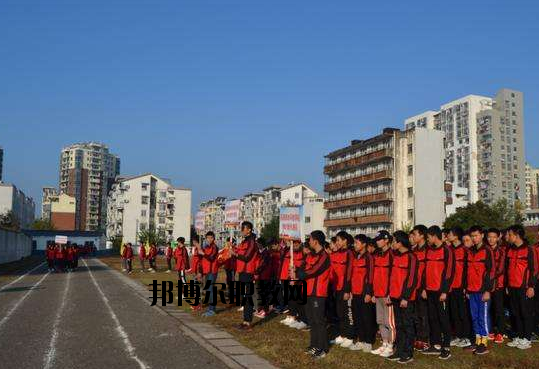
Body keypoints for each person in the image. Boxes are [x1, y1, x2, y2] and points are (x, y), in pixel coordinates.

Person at [296, 230, 331, 360]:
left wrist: (300, 274)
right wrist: (296, 271)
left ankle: (322, 348)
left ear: (316, 241)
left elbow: (314, 270)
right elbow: (303, 267)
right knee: (311, 320)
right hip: (308, 291)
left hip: (318, 293)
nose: (309, 242)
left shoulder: (324, 256)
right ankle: (314, 345)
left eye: (310, 239)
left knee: (319, 320)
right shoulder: (310, 255)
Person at [422, 225, 454, 359]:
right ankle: (435, 344)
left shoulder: (447, 251)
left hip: (441, 292)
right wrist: (424, 288)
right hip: (429, 291)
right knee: (432, 318)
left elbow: (449, 272)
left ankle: (446, 346)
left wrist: (445, 291)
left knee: (443, 319)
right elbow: (425, 270)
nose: (427, 240)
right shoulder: (428, 250)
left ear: (435, 236)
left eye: (428, 237)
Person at [388, 231, 419, 364]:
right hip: (394, 296)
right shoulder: (395, 256)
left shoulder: (411, 257)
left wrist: (405, 297)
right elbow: (392, 277)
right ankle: (399, 350)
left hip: (405, 298)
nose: (392, 243)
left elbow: (411, 279)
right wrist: (390, 294)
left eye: (394, 241)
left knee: (407, 325)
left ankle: (408, 352)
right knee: (399, 325)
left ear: (400, 242)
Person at [506, 224, 536, 350]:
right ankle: (519, 336)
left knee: (525, 313)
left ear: (517, 235)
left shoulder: (529, 250)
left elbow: (534, 270)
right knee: (515, 313)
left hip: (524, 287)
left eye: (510, 234)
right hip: (512, 287)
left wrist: (531, 286)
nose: (508, 236)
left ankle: (527, 338)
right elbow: (507, 269)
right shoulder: (510, 249)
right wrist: (507, 285)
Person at [467, 225, 495, 355]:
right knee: (474, 316)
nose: (474, 238)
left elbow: (491, 271)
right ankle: (477, 342)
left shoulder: (487, 250)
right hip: (471, 290)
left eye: (476, 235)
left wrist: (487, 290)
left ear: (482, 235)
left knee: (482, 317)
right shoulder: (470, 250)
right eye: (472, 236)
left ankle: (484, 343)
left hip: (482, 291)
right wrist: (466, 288)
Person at [349, 234, 376, 353]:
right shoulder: (356, 257)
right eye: (354, 243)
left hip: (364, 293)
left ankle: (368, 342)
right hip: (355, 292)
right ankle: (360, 339)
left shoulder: (369, 257)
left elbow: (370, 276)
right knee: (357, 317)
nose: (354, 245)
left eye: (357, 243)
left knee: (367, 317)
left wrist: (369, 292)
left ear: (364, 244)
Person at [370, 230, 395, 358]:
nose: (378, 242)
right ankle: (384, 343)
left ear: (386, 240)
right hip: (378, 293)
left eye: (380, 239)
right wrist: (374, 293)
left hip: (387, 294)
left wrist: (390, 293)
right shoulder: (377, 254)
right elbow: (375, 275)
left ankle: (391, 346)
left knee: (389, 322)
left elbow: (394, 276)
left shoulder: (392, 255)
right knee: (380, 320)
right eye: (377, 240)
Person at [447, 227, 472, 348]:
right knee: (454, 312)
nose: (448, 236)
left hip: (461, 286)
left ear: (456, 236)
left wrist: (465, 286)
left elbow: (468, 269)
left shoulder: (465, 250)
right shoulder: (449, 249)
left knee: (463, 312)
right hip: (451, 286)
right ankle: (458, 335)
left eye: (450, 234)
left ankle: (466, 337)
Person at [329, 231, 354, 348]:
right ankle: (342, 334)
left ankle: (350, 336)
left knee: (346, 313)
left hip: (344, 288)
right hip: (336, 288)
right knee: (339, 312)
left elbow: (349, 272)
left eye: (339, 240)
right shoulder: (335, 254)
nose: (337, 242)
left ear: (345, 241)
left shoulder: (349, 253)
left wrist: (347, 290)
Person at [233, 221, 259, 331]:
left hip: (248, 272)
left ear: (249, 229)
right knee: (244, 297)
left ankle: (248, 322)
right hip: (242, 271)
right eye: (241, 229)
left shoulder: (252, 242)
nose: (242, 231)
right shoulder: (244, 241)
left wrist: (236, 254)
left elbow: (247, 257)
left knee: (247, 297)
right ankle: (245, 321)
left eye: (243, 229)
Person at [410, 225, 430, 351]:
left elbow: (429, 272)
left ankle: (425, 339)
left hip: (423, 288)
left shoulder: (428, 250)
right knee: (415, 314)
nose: (413, 237)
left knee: (424, 315)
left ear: (422, 235)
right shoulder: (414, 251)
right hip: (414, 287)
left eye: (415, 234)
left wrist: (424, 288)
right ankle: (418, 337)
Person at [279, 240, 307, 329]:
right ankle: (291, 315)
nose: (295, 245)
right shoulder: (289, 251)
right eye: (293, 243)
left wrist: (295, 277)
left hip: (296, 279)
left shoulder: (302, 253)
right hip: (286, 277)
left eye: (297, 243)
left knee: (295, 298)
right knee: (289, 298)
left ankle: (294, 316)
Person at [486, 228, 506, 344]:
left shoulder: (502, 251)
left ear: (498, 238)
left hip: (498, 284)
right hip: (487, 285)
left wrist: (490, 276)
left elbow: (500, 268)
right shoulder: (485, 250)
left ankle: (500, 333)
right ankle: (491, 330)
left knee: (499, 309)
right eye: (489, 237)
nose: (491, 239)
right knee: (489, 309)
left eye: (494, 237)